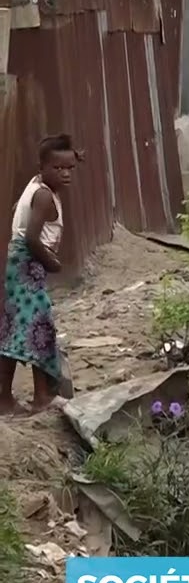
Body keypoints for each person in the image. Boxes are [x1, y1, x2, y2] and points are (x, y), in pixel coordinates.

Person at [0, 134, 76, 415]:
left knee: (16, 328)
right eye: (58, 168)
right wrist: (52, 262)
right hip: (27, 264)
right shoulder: (44, 196)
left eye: (69, 168)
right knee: (38, 326)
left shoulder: (35, 187)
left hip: (18, 264)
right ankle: (42, 396)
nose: (65, 173)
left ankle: (8, 398)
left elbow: (17, 211)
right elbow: (33, 238)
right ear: (42, 167)